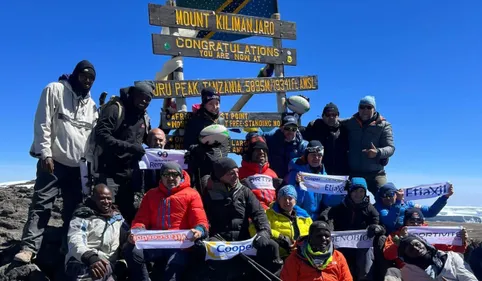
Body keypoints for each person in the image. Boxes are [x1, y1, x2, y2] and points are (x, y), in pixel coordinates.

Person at [15, 60, 98, 263]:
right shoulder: (55, 89)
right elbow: (42, 121)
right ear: (75, 74)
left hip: (78, 166)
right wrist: (45, 153)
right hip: (53, 161)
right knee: (42, 204)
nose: (87, 81)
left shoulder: (92, 105)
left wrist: (89, 168)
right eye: (84, 76)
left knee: (74, 209)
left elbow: (91, 140)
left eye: (91, 78)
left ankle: (67, 247)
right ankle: (29, 248)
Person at [123, 162, 209, 281]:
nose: (170, 178)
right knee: (131, 250)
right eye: (166, 174)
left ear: (181, 176)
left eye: (174, 174)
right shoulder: (151, 194)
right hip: (155, 243)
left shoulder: (192, 194)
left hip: (180, 245)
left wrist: (199, 230)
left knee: (172, 272)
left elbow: (200, 220)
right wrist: (136, 232)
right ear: (161, 177)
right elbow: (141, 220)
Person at [201, 157, 282, 279]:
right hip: (219, 241)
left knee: (271, 247)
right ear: (220, 175)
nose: (236, 176)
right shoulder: (208, 194)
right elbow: (202, 218)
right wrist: (207, 237)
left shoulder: (244, 191)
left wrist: (264, 232)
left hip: (243, 240)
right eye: (231, 173)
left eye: (237, 172)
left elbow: (259, 213)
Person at [94, 82, 153, 224]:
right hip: (109, 172)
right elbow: (101, 136)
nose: (144, 101)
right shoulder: (115, 108)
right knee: (106, 212)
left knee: (128, 213)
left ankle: (125, 244)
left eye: (148, 99)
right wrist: (131, 147)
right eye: (142, 97)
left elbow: (149, 139)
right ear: (133, 94)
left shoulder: (143, 116)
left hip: (130, 175)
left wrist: (165, 126)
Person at [321, 177, 383, 281]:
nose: (358, 194)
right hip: (341, 246)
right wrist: (328, 225)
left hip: (361, 247)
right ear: (349, 192)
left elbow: (379, 225)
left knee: (365, 257)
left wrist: (375, 228)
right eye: (355, 191)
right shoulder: (340, 206)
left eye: (361, 191)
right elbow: (327, 215)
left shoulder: (370, 208)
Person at [65, 184, 126, 281]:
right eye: (102, 198)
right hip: (82, 260)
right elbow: (75, 239)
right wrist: (91, 258)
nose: (106, 202)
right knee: (91, 273)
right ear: (94, 198)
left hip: (107, 263)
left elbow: (126, 236)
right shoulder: (83, 216)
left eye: (108, 198)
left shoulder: (117, 218)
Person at [343, 96, 395, 197]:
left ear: (374, 109)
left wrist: (378, 152)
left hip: (376, 174)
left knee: (387, 197)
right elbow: (333, 122)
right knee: (347, 202)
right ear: (358, 109)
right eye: (362, 107)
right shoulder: (350, 122)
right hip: (354, 173)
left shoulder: (384, 125)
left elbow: (390, 148)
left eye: (369, 107)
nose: (365, 110)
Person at [383, 208, 468, 269]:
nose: (415, 224)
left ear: (422, 222)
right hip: (407, 270)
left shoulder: (430, 234)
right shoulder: (396, 235)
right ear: (405, 222)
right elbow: (388, 255)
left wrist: (462, 241)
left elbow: (453, 250)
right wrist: (400, 241)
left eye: (418, 221)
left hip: (431, 268)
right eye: (412, 222)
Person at [250, 185, 312, 259]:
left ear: (295, 201)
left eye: (290, 198)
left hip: (301, 257)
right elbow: (254, 229)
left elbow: (313, 234)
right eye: (284, 198)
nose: (287, 201)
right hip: (276, 256)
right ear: (278, 200)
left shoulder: (305, 217)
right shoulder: (267, 214)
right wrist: (279, 237)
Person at [286, 140, 344, 219]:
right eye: (313, 155)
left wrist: (341, 191)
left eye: (319, 155)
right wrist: (297, 185)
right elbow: (292, 202)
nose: (316, 158)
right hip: (299, 216)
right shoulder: (295, 173)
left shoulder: (323, 175)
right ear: (307, 156)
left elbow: (328, 200)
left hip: (315, 218)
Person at [280, 221, 353, 281]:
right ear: (310, 238)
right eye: (319, 236)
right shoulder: (295, 258)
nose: (324, 238)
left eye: (327, 236)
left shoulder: (338, 256)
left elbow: (347, 279)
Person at [374, 182, 453, 234]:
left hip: (411, 235)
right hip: (392, 238)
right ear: (380, 197)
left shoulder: (408, 204)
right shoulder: (379, 208)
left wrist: (445, 197)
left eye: (390, 194)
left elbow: (430, 212)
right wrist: (398, 202)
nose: (388, 198)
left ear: (396, 193)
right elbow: (390, 222)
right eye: (384, 196)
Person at [398, 234, 477, 280]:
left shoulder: (451, 257)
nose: (416, 249)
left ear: (423, 243)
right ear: (406, 255)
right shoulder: (408, 272)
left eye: (417, 244)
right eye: (411, 249)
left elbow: (468, 277)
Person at [302, 102, 349, 175]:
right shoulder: (314, 127)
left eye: (334, 114)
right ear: (323, 116)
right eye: (328, 115)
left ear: (338, 116)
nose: (331, 117)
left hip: (340, 173)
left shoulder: (344, 129)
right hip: (319, 172)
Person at [238, 135, 280, 210]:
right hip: (250, 215)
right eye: (257, 149)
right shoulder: (239, 173)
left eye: (264, 149)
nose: (261, 152)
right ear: (250, 153)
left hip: (271, 216)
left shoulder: (272, 173)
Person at [183, 87, 227, 153]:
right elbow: (188, 145)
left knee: (229, 163)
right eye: (210, 104)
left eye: (217, 103)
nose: (215, 107)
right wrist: (204, 150)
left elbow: (225, 143)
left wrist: (220, 154)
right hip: (200, 159)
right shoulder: (195, 121)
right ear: (204, 104)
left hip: (219, 159)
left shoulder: (221, 121)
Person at [264, 114, 308, 179]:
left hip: (294, 179)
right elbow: (258, 135)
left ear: (297, 130)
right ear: (281, 128)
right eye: (287, 128)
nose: (290, 131)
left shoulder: (303, 145)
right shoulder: (272, 139)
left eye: (294, 129)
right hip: (274, 178)